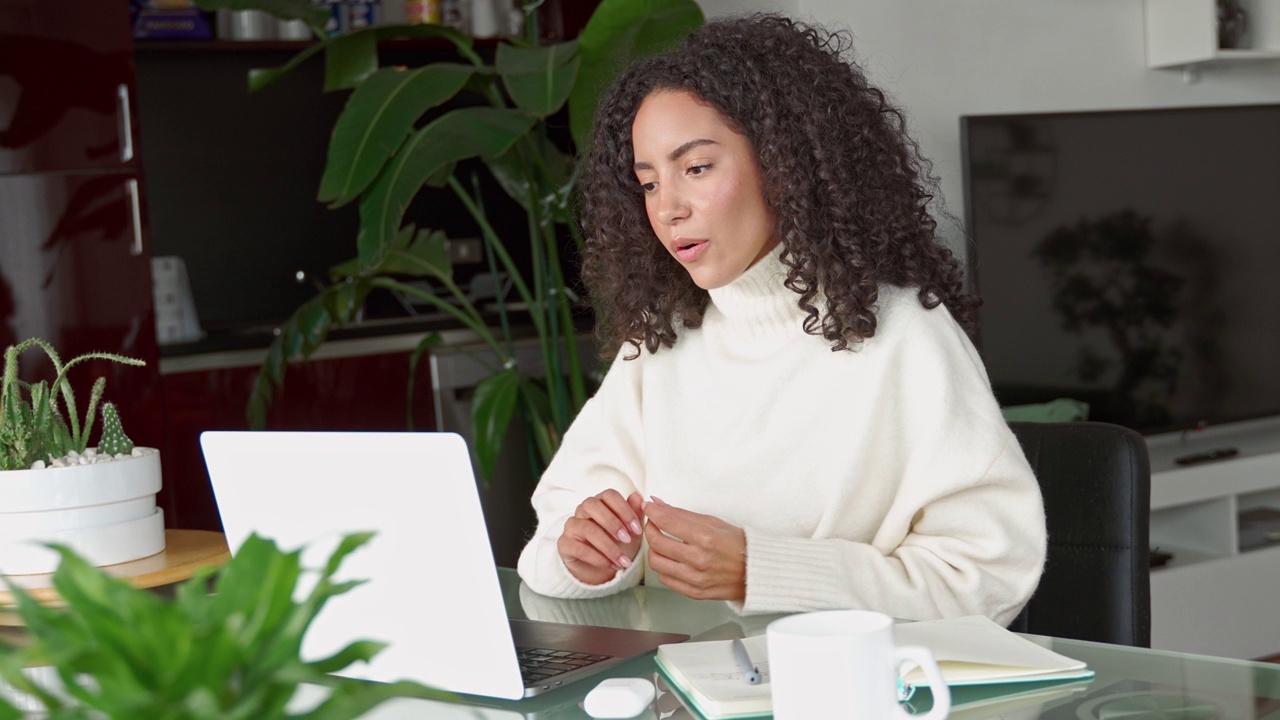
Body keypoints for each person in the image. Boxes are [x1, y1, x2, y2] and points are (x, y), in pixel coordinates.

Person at [516, 13, 1046, 624]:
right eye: (648, 183)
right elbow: (552, 544)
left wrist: (761, 571)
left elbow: (988, 577)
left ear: (783, 161)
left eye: (696, 168)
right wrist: (579, 557)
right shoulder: (661, 344)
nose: (668, 209)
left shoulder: (903, 337)